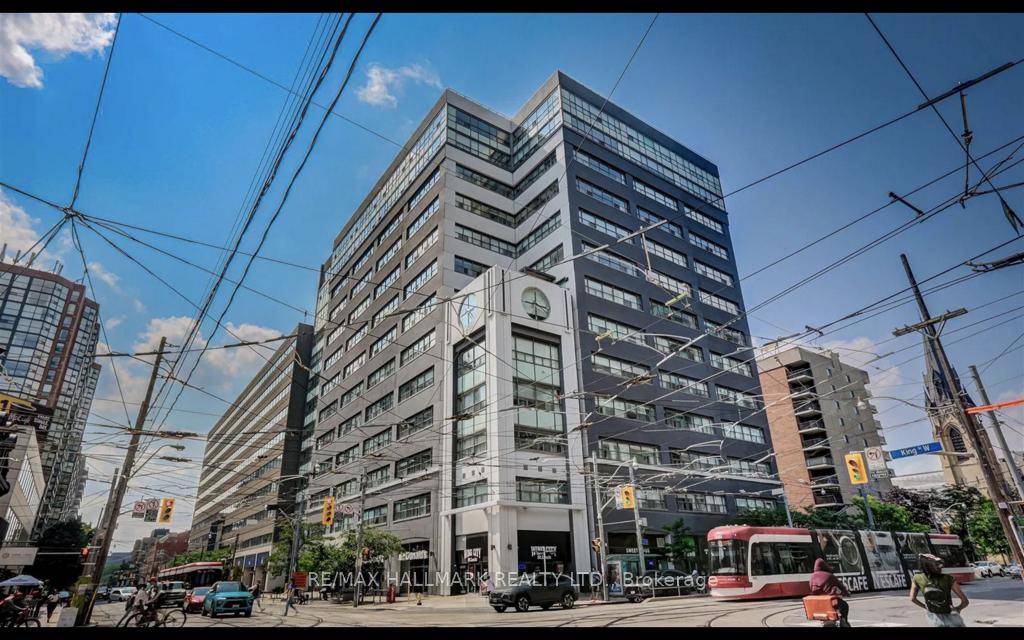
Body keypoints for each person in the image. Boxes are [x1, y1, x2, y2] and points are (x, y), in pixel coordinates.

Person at [910, 554, 969, 627]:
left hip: (933, 618)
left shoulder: (917, 578)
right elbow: (965, 601)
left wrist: (926, 607)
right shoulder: (948, 578)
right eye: (938, 564)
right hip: (951, 614)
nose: (941, 566)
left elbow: (912, 598)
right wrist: (958, 609)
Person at [809, 558, 851, 627]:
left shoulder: (811, 577)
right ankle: (844, 622)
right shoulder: (829, 576)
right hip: (830, 603)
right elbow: (841, 586)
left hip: (818, 605)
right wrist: (847, 593)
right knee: (844, 605)